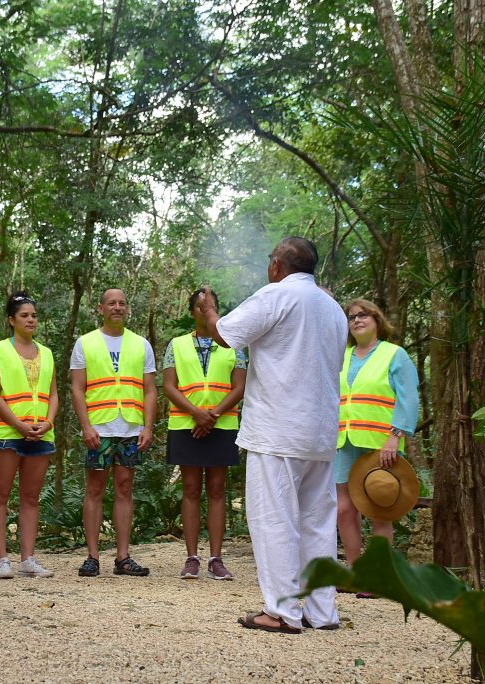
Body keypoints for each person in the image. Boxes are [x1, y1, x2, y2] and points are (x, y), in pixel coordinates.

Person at [201, 236, 347, 634]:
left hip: (280, 430)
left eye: (270, 261)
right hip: (320, 432)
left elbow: (224, 333)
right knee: (317, 522)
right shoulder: (333, 308)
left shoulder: (277, 295)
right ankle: (323, 612)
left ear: (278, 265)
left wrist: (210, 311)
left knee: (276, 520)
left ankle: (282, 612)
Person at [70, 288, 157, 577]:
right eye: (111, 303)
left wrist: (147, 425)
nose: (117, 307)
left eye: (122, 303)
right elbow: (77, 388)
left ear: (127, 309)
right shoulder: (85, 343)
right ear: (100, 308)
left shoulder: (141, 344)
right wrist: (86, 426)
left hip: (131, 427)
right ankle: (92, 556)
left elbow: (150, 389)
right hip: (100, 427)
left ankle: (122, 557)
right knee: (94, 489)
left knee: (125, 488)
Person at [162, 288, 246, 581]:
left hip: (221, 425)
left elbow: (240, 386)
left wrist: (213, 415)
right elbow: (170, 386)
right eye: (199, 306)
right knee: (190, 489)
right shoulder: (176, 345)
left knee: (217, 489)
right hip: (186, 425)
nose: (203, 311)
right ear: (191, 312)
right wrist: (197, 413)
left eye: (209, 306)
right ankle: (191, 557)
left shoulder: (234, 345)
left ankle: (216, 558)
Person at [335, 298, 419, 579]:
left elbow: (408, 400)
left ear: (377, 320)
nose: (357, 320)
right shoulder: (341, 356)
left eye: (363, 315)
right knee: (345, 510)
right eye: (352, 317)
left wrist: (395, 437)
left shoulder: (395, 355)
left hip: (380, 444)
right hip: (343, 441)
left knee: (379, 509)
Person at [0, 292, 59, 579]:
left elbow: (53, 394)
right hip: (6, 431)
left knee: (31, 497)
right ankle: (2, 558)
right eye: (24, 315)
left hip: (40, 433)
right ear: (11, 320)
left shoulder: (47, 353)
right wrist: (17, 424)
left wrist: (49, 422)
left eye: (34, 315)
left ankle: (28, 558)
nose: (30, 320)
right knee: (1, 494)